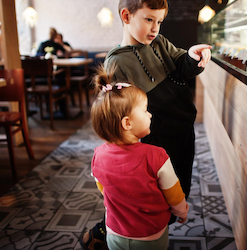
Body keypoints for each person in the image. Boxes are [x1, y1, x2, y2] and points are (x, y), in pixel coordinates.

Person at [80, 0, 211, 249]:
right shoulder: (118, 61)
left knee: (177, 186)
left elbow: (181, 65)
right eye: (149, 20)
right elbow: (119, 112)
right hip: (156, 137)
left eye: (160, 21)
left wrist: (193, 56)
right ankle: (106, 233)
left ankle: (155, 227)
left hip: (181, 130)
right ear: (126, 16)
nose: (155, 28)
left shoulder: (160, 43)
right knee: (151, 195)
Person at [79, 66, 189, 250]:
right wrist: (181, 210)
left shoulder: (98, 155)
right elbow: (174, 193)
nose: (150, 114)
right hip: (151, 235)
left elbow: (103, 187)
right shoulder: (157, 156)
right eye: (145, 110)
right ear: (127, 123)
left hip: (115, 232)